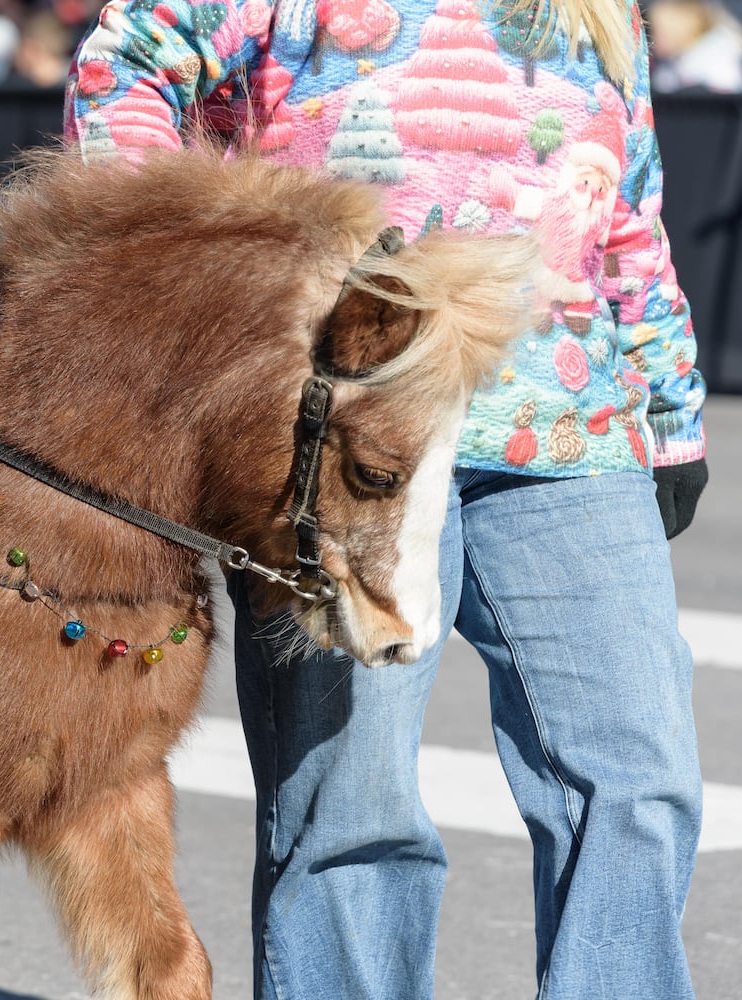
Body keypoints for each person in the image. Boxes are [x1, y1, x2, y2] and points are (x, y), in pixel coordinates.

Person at [65, 0, 707, 997]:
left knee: (638, 781)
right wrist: (185, 269)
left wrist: (668, 410)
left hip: (568, 428)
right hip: (342, 433)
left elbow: (627, 200)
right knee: (351, 809)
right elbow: (129, 61)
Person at [647, 0, 742, 93]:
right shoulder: (673, 62)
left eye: (657, 32)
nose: (652, 40)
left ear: (678, 31)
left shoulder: (714, 59)